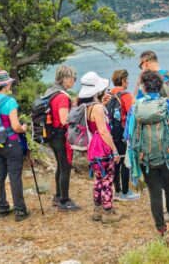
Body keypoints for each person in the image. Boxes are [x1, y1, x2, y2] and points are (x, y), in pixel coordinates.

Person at [126, 70, 169, 248]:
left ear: (143, 87)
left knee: (155, 195)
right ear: (159, 86)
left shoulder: (135, 107)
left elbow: (128, 134)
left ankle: (161, 234)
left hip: (146, 159)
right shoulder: (168, 104)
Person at [136, 50, 169, 213]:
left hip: (157, 136)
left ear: (145, 62)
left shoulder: (147, 81)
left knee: (161, 171)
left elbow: (139, 107)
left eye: (140, 65)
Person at [0, 68, 30, 221]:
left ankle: (2, 208)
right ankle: (20, 210)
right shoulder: (10, 101)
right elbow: (15, 126)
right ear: (5, 85)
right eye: (8, 83)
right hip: (10, 142)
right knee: (14, 175)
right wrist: (24, 128)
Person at [78, 71, 123, 224]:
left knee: (98, 179)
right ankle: (108, 212)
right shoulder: (97, 108)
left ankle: (97, 210)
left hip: (92, 148)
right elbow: (103, 131)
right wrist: (115, 150)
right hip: (102, 148)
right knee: (107, 180)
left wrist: (101, 105)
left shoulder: (85, 106)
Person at [44, 65, 80, 211]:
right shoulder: (62, 96)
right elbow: (65, 119)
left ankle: (58, 196)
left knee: (60, 165)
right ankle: (64, 201)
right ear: (65, 79)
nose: (74, 81)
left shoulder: (51, 92)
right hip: (60, 135)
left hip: (52, 134)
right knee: (65, 167)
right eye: (73, 78)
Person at [109, 69, 139, 201]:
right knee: (125, 161)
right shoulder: (125, 96)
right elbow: (132, 112)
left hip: (110, 133)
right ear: (122, 80)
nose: (128, 82)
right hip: (122, 132)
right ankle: (126, 192)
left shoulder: (108, 94)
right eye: (126, 80)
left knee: (115, 161)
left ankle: (117, 190)